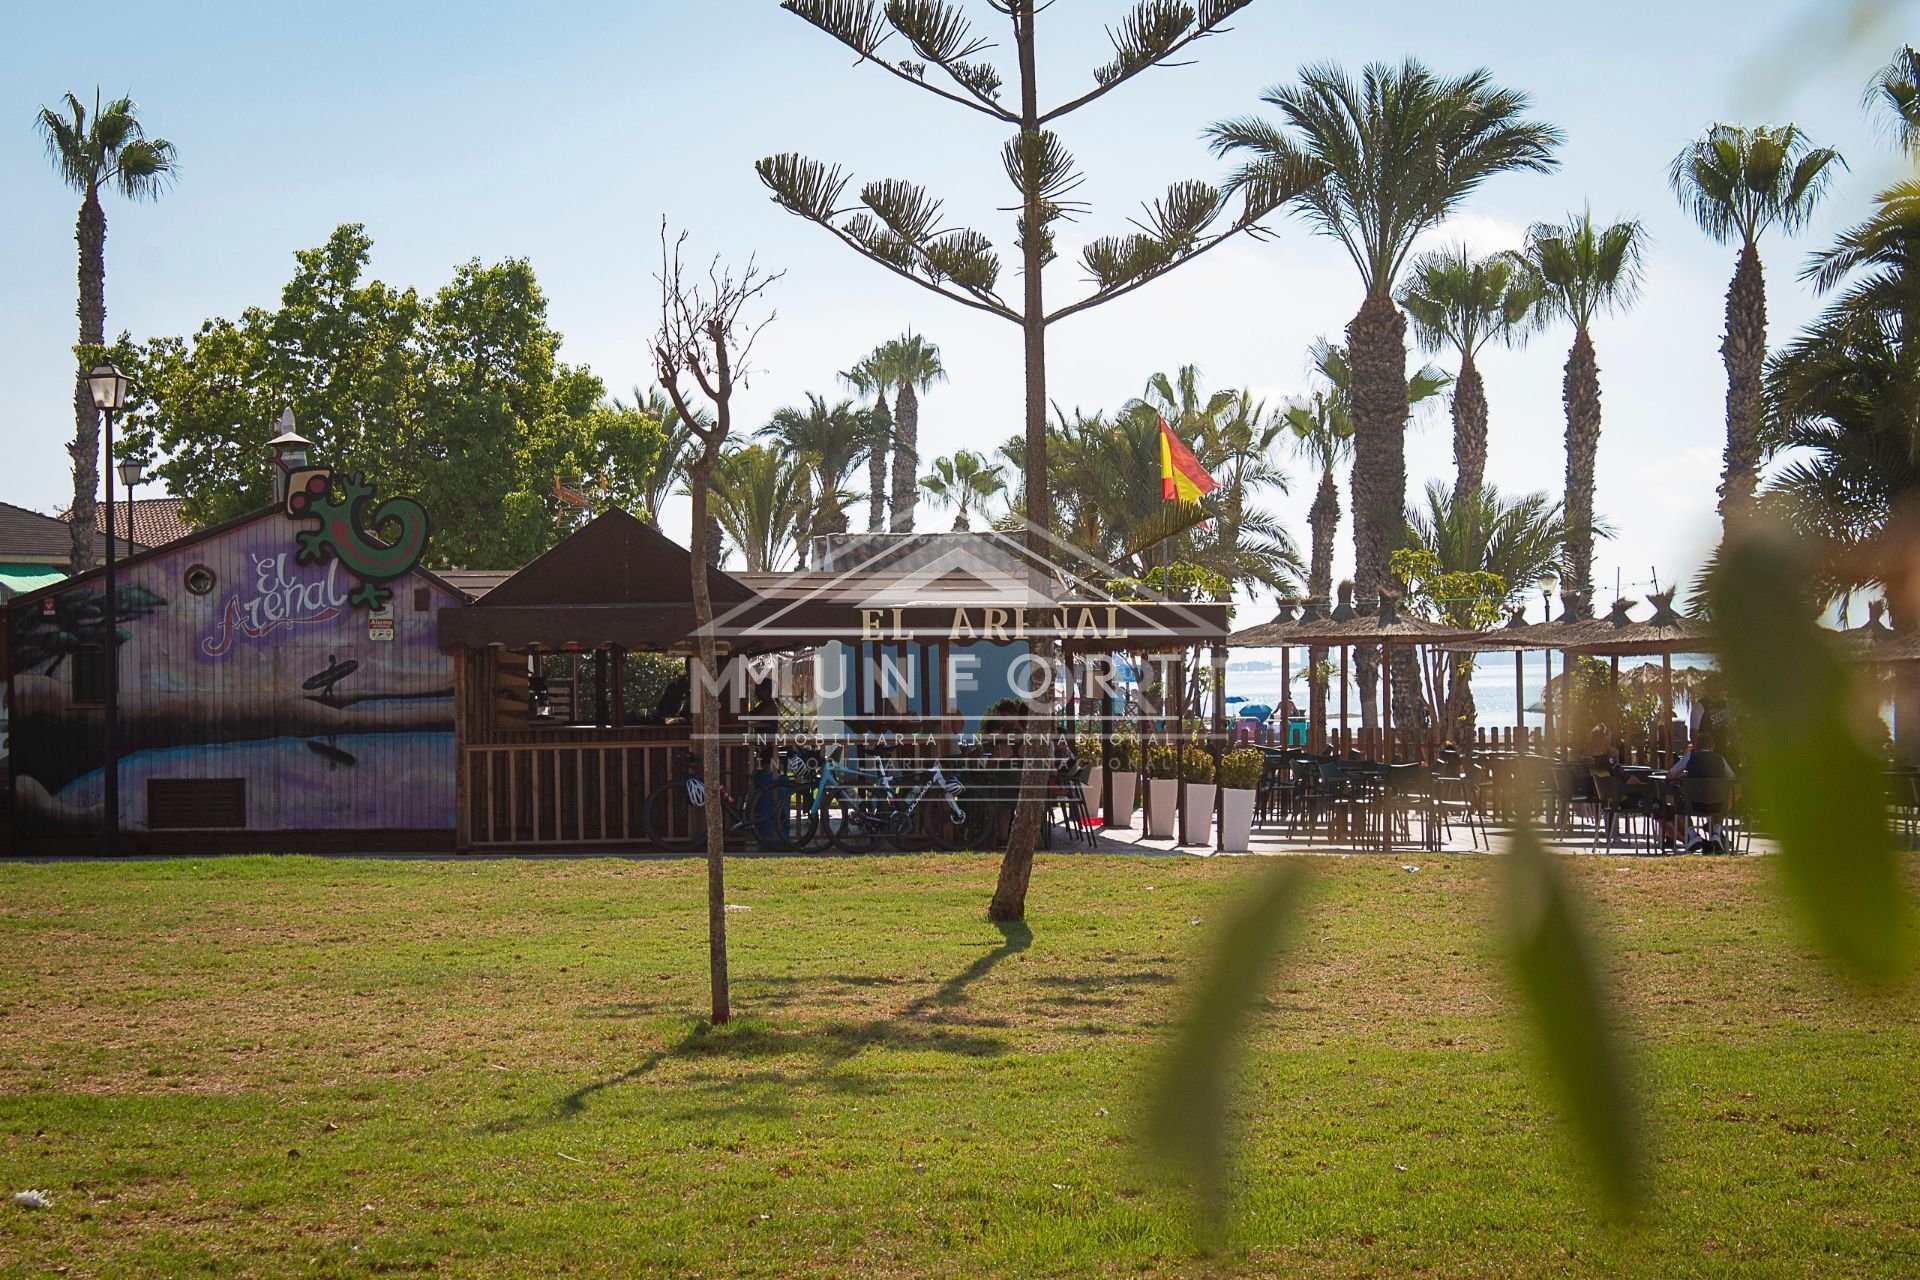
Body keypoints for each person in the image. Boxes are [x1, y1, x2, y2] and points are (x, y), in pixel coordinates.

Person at [1663, 727, 1737, 851]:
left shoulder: (1690, 757)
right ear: (1713, 746)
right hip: (1716, 804)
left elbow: (1670, 775)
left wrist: (1685, 776)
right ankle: (1716, 833)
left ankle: (1693, 835)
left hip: (1693, 804)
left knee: (1678, 801)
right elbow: (1732, 777)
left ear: (1696, 745)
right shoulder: (1720, 759)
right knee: (1723, 799)